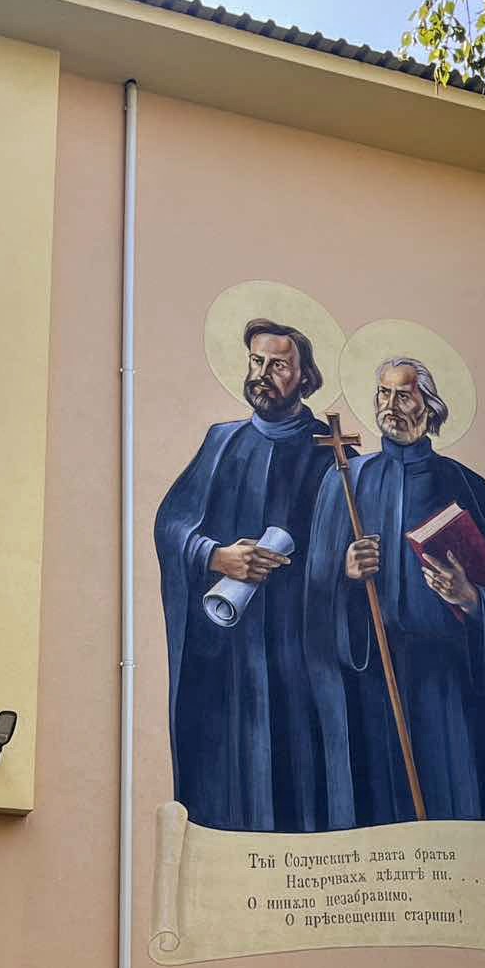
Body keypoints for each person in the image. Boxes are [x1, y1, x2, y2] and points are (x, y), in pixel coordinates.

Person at [307, 356, 485, 827]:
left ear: (429, 407)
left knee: (450, 809)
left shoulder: (469, 486)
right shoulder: (347, 480)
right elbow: (314, 590)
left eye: (404, 395)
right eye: (383, 394)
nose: (390, 406)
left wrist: (472, 599)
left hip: (445, 682)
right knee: (376, 812)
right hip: (370, 676)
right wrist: (346, 571)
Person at [155, 318, 352, 833]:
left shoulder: (333, 452)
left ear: (305, 377)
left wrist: (344, 569)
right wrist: (214, 556)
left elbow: (355, 550)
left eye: (279, 365)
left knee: (300, 771)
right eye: (256, 362)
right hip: (228, 656)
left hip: (300, 651)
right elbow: (170, 525)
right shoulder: (221, 442)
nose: (263, 373)